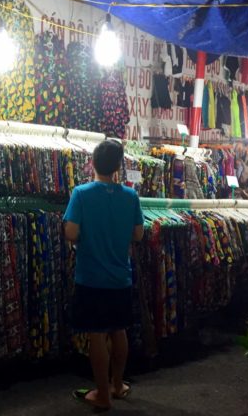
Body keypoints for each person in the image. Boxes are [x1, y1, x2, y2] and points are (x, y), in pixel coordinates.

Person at [63, 140, 144, 411]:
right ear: (118, 166)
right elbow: (138, 234)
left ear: (93, 163)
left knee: (97, 335)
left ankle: (102, 395)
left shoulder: (81, 193)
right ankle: (117, 385)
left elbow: (72, 232)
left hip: (91, 277)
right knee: (118, 330)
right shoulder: (130, 196)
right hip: (120, 276)